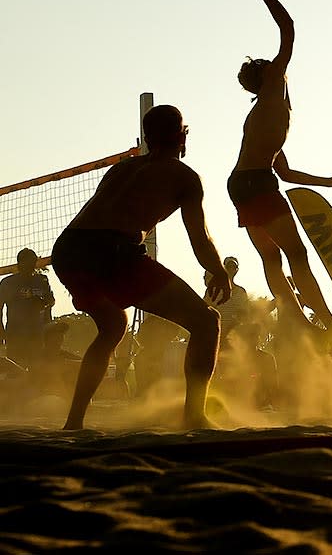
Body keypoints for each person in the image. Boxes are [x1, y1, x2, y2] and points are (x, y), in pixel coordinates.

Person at [51, 105, 230, 430]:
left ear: (146, 138)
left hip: (68, 249)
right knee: (207, 322)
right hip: (113, 251)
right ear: (182, 135)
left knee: (112, 327)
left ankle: (74, 422)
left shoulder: (121, 169)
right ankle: (194, 417)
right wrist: (218, 271)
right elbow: (199, 238)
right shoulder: (184, 177)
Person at [231, 0, 332, 350]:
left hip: (243, 182)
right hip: (254, 182)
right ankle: (323, 326)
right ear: (269, 74)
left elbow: (284, 173)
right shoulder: (271, 97)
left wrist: (330, 183)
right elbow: (287, 27)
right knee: (296, 255)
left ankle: (305, 327)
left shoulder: (268, 116)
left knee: (274, 259)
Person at [0, 248, 55, 367]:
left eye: (33, 262)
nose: (31, 266)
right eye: (27, 262)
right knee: (16, 368)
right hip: (15, 333)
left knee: (37, 368)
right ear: (19, 263)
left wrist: (38, 300)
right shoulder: (8, 283)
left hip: (37, 332)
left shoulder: (41, 280)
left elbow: (51, 301)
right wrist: (1, 330)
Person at [205, 256, 251, 343]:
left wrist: (233, 329)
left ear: (236, 270)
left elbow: (244, 315)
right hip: (214, 334)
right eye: (228, 266)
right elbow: (205, 311)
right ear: (224, 268)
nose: (231, 269)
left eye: (233, 267)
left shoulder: (241, 292)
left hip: (231, 338)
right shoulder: (213, 290)